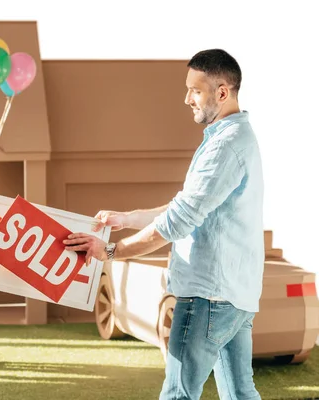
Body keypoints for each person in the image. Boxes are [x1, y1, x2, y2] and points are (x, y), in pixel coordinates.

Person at [64, 49, 263, 400]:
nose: (187, 99)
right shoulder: (234, 139)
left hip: (207, 297)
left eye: (195, 90)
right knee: (240, 394)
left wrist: (111, 250)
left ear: (221, 92)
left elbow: (177, 222)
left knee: (178, 395)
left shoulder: (224, 148)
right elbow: (185, 207)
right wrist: (125, 219)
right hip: (235, 297)